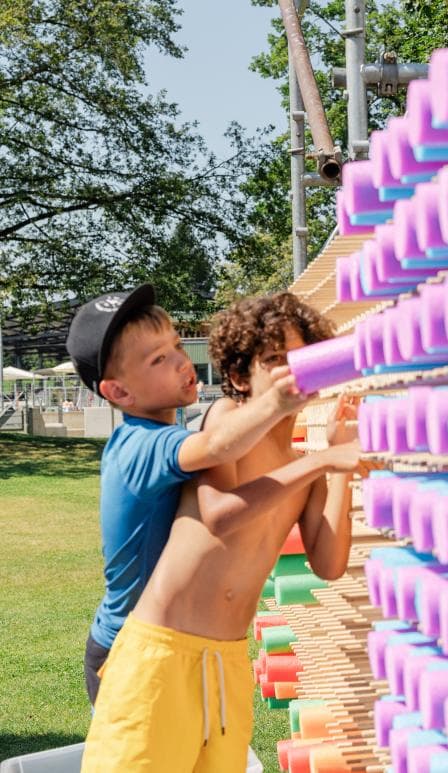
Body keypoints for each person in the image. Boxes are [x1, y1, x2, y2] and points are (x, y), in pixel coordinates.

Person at [80, 292, 360, 772]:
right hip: (159, 653)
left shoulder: (302, 464)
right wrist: (320, 458)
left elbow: (329, 563)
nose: (291, 370)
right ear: (236, 378)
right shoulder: (222, 423)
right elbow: (219, 515)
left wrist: (337, 466)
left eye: (301, 355)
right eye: (274, 359)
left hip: (228, 660)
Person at [65, 285, 315, 705]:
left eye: (177, 344)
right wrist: (277, 400)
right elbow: (218, 445)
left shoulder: (161, 437)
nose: (182, 361)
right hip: (129, 651)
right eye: (158, 359)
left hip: (169, 646)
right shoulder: (142, 445)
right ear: (118, 393)